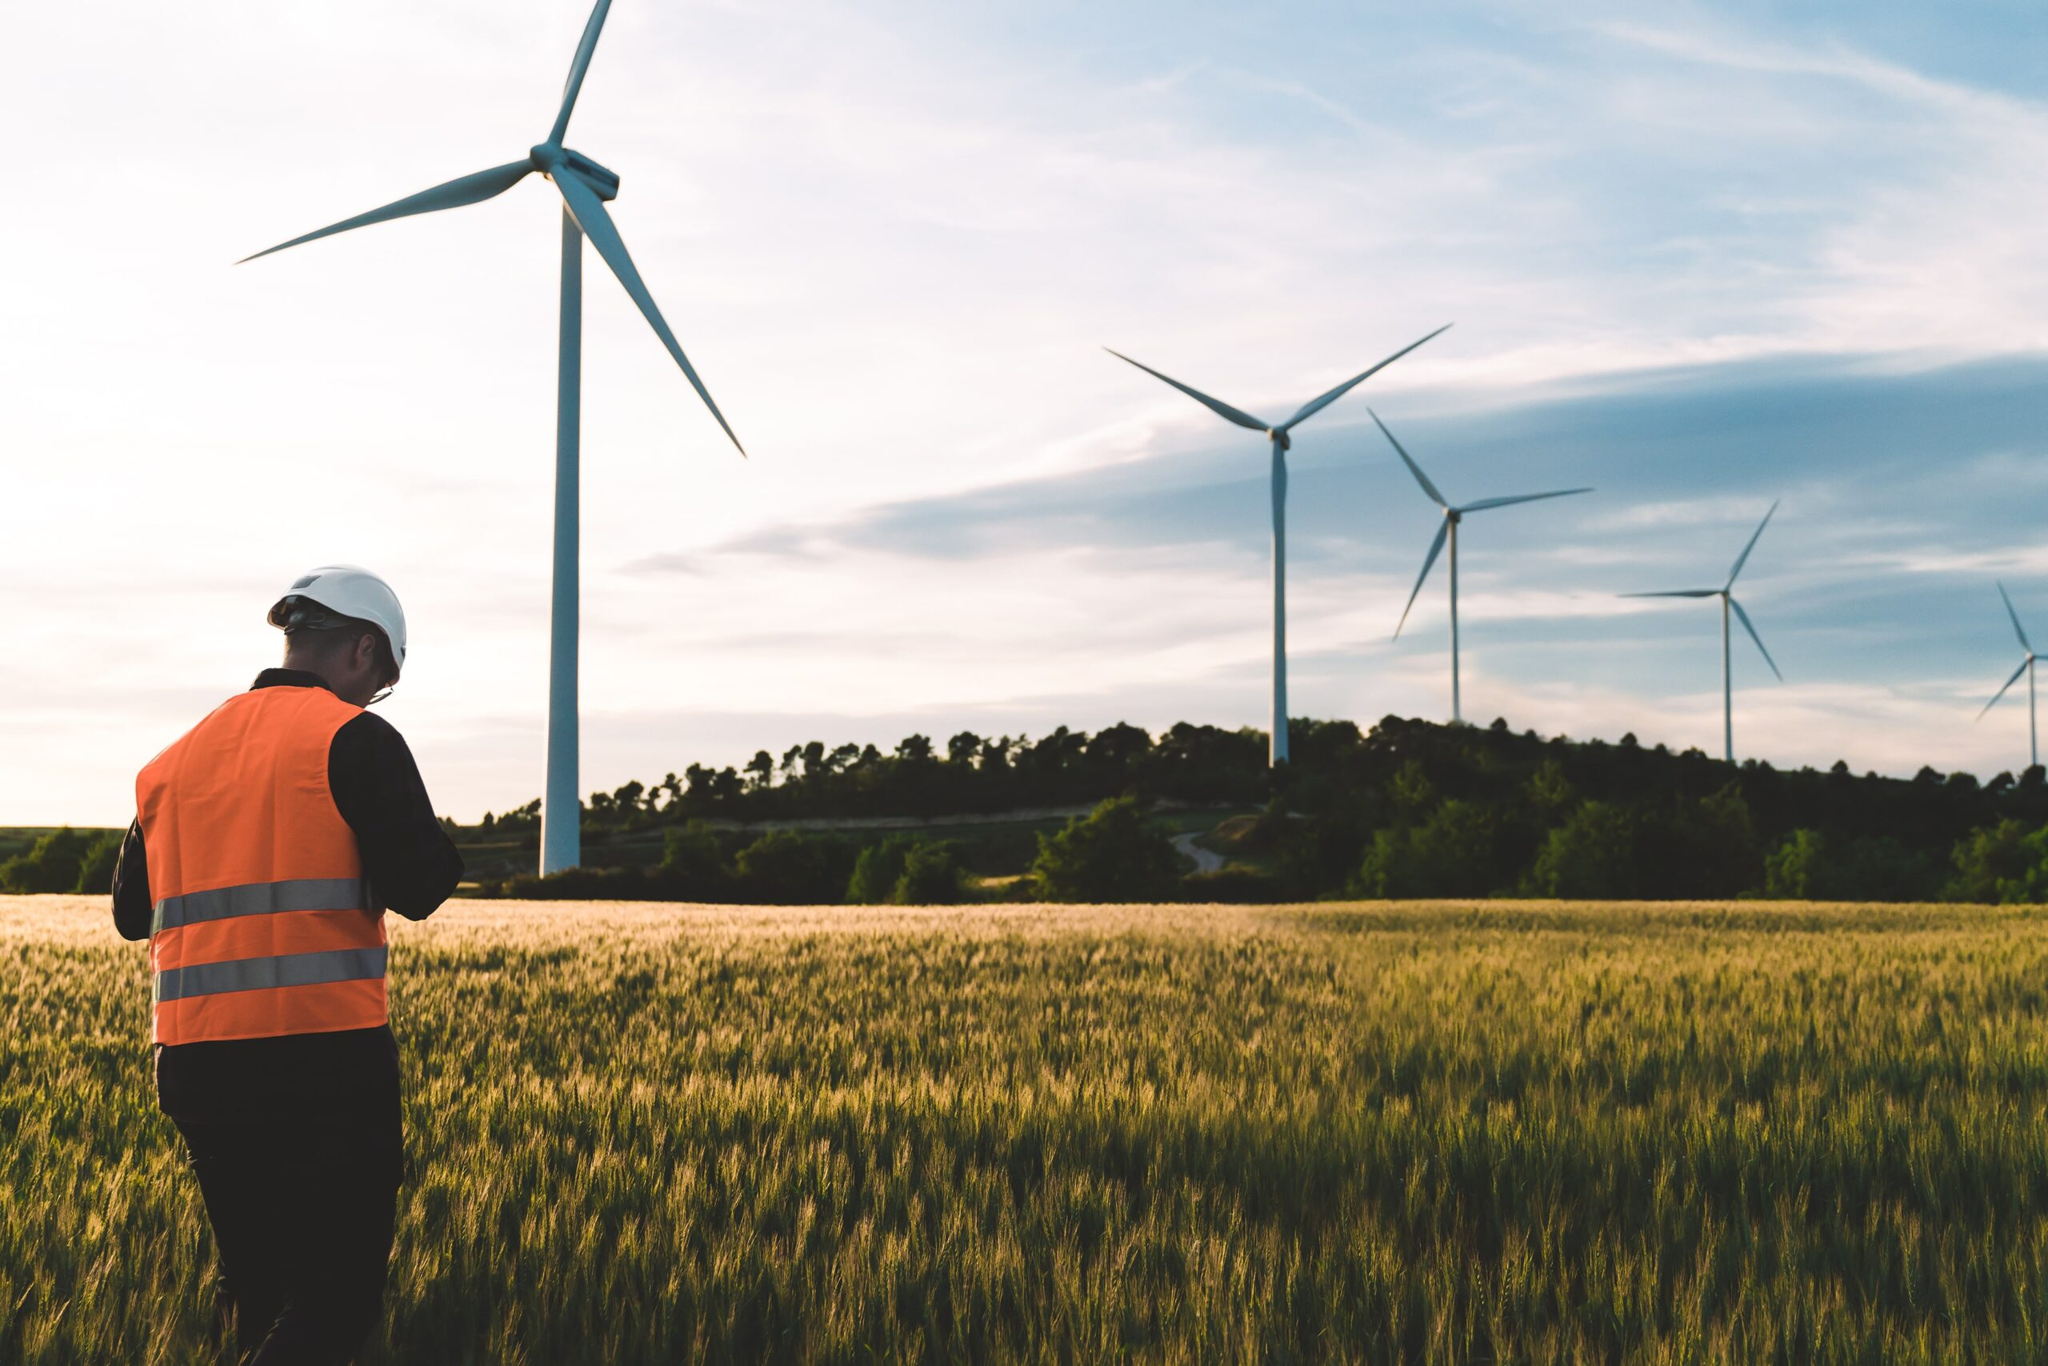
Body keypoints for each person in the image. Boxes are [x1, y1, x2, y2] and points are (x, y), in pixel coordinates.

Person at [111, 565, 464, 1365]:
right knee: (336, 1300)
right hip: (323, 1060)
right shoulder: (354, 737)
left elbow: (133, 916)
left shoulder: (169, 762)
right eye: (381, 682)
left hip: (195, 1064)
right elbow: (419, 887)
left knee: (258, 1286)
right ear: (364, 650)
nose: (373, 699)